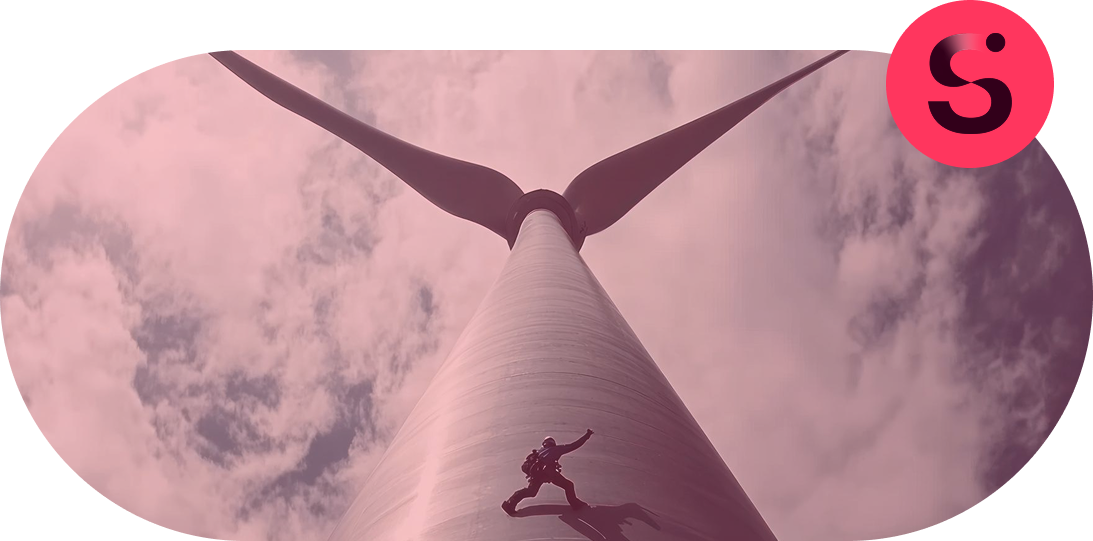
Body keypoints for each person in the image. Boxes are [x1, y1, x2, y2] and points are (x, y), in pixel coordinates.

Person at [502, 429, 594, 516]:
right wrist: (587, 436)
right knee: (568, 485)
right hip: (549, 473)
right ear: (553, 444)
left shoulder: (538, 452)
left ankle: (510, 503)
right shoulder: (556, 449)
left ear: (544, 444)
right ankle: (575, 504)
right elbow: (573, 445)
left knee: (531, 492)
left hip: (537, 475)